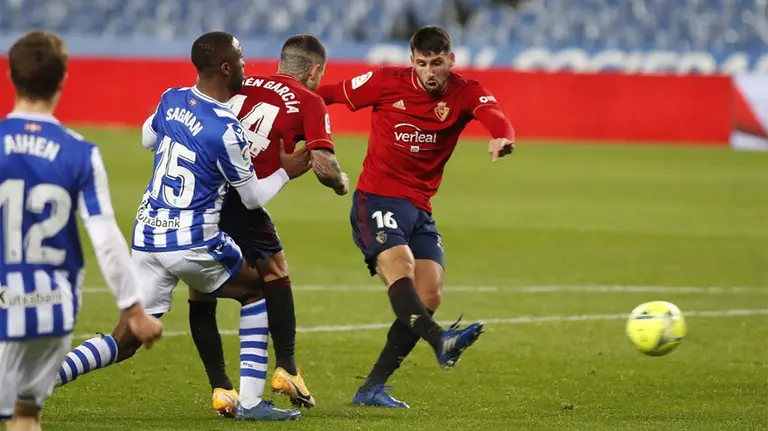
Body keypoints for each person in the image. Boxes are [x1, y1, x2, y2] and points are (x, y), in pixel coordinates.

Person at [52, 31, 311, 421]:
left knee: (126, 336)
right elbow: (253, 197)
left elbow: (146, 139)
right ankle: (254, 403)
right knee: (258, 288)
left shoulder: (171, 98)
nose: (245, 65)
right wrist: (285, 171)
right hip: (190, 240)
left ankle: (37, 379)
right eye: (240, 60)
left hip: (147, 233)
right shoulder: (226, 128)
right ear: (226, 68)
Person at [316, 25, 515, 408]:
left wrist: (501, 135)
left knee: (430, 293)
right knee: (400, 266)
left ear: (450, 60)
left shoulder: (464, 90)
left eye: (437, 63)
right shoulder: (384, 82)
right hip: (377, 198)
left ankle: (371, 387)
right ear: (412, 61)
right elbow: (326, 95)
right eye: (422, 63)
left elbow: (493, 113)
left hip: (420, 207)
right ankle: (441, 341)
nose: (430, 72)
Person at [0, 31, 163, 431]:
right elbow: (105, 235)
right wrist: (134, 310)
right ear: (62, 81)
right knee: (25, 417)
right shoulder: (80, 152)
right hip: (50, 307)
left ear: (10, 76)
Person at [187, 34, 349, 416]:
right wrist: (341, 184)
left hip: (199, 192)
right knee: (274, 272)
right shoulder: (310, 100)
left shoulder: (244, 81)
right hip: (243, 197)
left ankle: (220, 388)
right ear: (314, 71)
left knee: (200, 289)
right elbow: (323, 163)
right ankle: (288, 368)